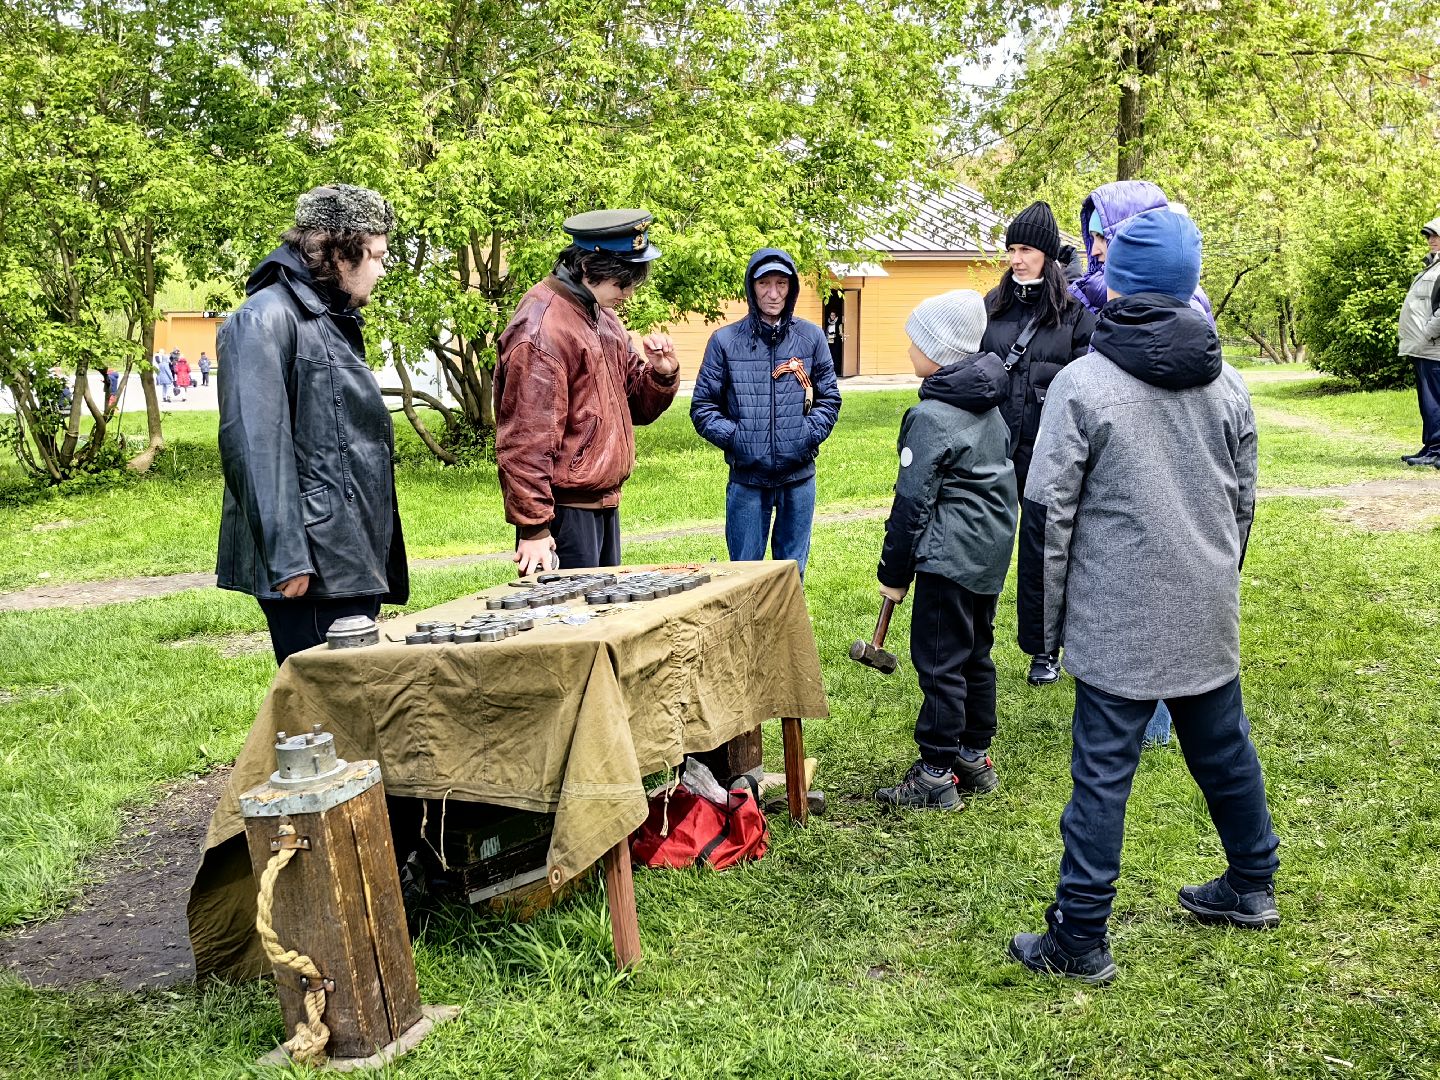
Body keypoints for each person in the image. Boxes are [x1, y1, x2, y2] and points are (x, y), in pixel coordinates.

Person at [1009, 210, 1279, 984]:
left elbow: (1047, 514)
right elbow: (1243, 503)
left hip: (1116, 613)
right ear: (1191, 281)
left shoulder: (1084, 384)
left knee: (1101, 772)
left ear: (1116, 280)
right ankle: (1252, 883)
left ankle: (1081, 936)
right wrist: (1218, 584)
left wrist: (1044, 631)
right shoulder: (1229, 383)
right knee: (1224, 748)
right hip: (1203, 604)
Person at [217, 183, 409, 665]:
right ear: (342, 251)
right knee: (321, 710)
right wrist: (287, 558)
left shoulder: (326, 317)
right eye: (378, 256)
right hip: (311, 563)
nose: (382, 271)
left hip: (341, 554)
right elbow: (255, 445)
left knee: (351, 704)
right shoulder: (263, 319)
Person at [918, 200, 1095, 687]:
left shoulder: (1075, 317)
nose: (1017, 259)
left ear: (1048, 256)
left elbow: (1083, 388)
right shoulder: (989, 309)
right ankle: (981, 633)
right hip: (991, 451)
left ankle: (1045, 648)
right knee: (985, 545)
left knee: (1044, 552)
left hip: (1048, 454)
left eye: (1028, 250)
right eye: (1012, 249)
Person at [1068, 179, 1218, 747]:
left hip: (1165, 461)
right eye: (1095, 235)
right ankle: (1147, 713)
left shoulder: (1182, 305)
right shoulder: (1107, 289)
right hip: (1126, 454)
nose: (1098, 246)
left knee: (1161, 595)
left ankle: (1156, 721)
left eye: (1107, 234)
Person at [871, 290, 1018, 810]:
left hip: (948, 557)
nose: (909, 345)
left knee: (939, 660)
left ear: (940, 349)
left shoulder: (932, 415)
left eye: (917, 338)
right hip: (988, 553)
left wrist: (895, 571)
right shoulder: (988, 405)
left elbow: (912, 502)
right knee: (976, 651)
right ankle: (972, 756)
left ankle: (935, 773)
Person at [495, 209, 680, 574]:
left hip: (602, 505)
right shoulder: (541, 328)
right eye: (622, 282)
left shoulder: (601, 313)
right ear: (587, 267)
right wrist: (534, 528)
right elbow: (524, 440)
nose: (628, 293)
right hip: (564, 515)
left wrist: (661, 374)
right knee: (566, 624)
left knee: (604, 619)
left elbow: (636, 406)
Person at [690, 248, 842, 578]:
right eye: (764, 283)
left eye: (781, 283)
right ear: (751, 286)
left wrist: (804, 436)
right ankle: (746, 632)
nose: (773, 293)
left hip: (798, 478)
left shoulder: (812, 338)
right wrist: (739, 439)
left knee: (791, 575)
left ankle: (785, 632)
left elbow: (829, 400)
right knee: (744, 575)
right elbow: (703, 408)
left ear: (792, 288)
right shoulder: (725, 341)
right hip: (747, 480)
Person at [1399, 217, 1440, 468]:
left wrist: (1426, 334)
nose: (1431, 240)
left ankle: (1436, 450)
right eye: (1429, 236)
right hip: (1423, 348)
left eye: (1436, 235)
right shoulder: (1431, 267)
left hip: (1433, 347)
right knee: (1428, 402)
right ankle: (1431, 446)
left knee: (1435, 400)